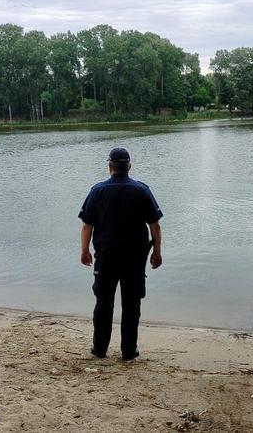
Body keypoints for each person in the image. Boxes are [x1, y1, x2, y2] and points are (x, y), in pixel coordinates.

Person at [78, 148, 163, 360]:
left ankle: (100, 349)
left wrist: (84, 250)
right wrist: (157, 252)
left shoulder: (97, 191)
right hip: (135, 258)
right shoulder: (142, 190)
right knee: (132, 303)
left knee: (104, 302)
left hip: (106, 256)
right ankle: (128, 350)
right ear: (129, 167)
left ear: (110, 167)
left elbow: (87, 225)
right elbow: (155, 226)